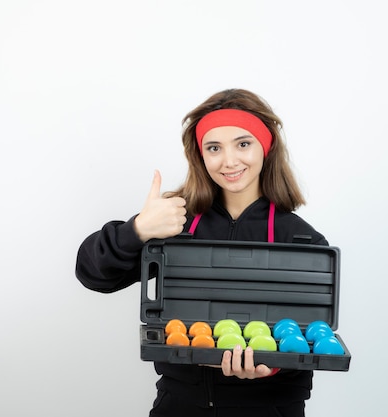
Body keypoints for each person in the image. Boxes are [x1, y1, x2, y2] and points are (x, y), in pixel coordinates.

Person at [75, 88, 328, 417]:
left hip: (270, 409)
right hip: (180, 405)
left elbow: (312, 338)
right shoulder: (174, 222)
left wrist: (275, 366)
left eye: (243, 143)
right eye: (214, 147)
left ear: (266, 148)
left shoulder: (302, 239)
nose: (229, 160)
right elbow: (93, 275)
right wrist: (137, 230)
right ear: (200, 155)